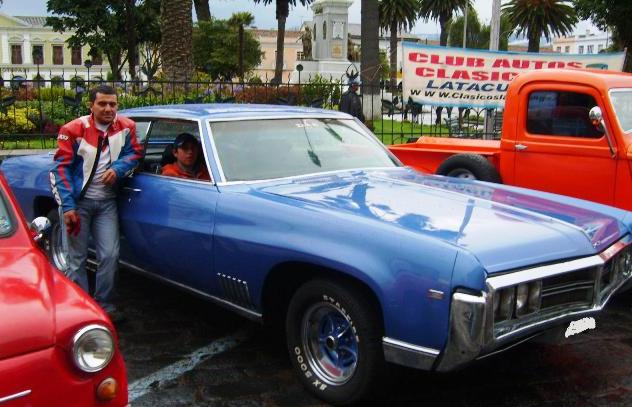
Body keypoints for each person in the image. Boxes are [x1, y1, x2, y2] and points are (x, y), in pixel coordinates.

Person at [50, 84, 142, 316]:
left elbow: (135, 153)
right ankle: (81, 310)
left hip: (107, 203)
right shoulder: (73, 129)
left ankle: (104, 307)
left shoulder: (127, 127)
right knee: (76, 259)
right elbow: (61, 169)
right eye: (102, 104)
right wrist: (68, 207)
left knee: (110, 255)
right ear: (91, 105)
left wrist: (118, 169)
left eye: (112, 104)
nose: (108, 109)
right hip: (77, 204)